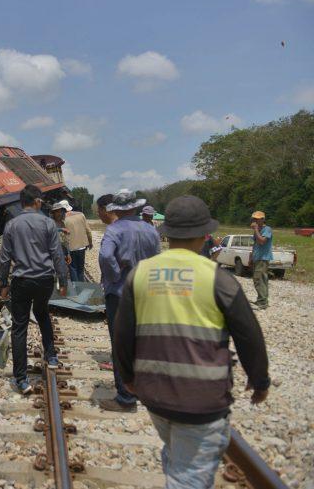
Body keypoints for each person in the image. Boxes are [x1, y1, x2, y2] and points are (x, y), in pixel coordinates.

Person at [114, 195, 269, 488]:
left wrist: (128, 378)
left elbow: (122, 334)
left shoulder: (141, 274)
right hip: (202, 402)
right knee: (189, 476)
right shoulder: (218, 278)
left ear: (167, 234)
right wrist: (259, 381)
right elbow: (249, 335)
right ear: (204, 235)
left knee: (176, 454)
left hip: (155, 397)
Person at [0, 185, 69, 395]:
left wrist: (3, 283)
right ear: (37, 201)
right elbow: (57, 254)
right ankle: (52, 356)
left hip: (22, 280)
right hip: (45, 280)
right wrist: (63, 279)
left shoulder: (11, 225)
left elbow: (4, 258)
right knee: (42, 313)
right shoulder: (48, 223)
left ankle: (21, 380)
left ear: (22, 203)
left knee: (19, 326)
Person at [98, 189, 161, 412]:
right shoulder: (150, 230)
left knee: (120, 344)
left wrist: (114, 276)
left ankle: (125, 396)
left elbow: (106, 256)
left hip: (119, 294)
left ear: (117, 209)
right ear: (135, 207)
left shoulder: (114, 230)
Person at [65, 202, 94, 282]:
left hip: (70, 248)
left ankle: (76, 289)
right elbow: (88, 231)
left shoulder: (63, 219)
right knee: (80, 269)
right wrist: (90, 243)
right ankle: (82, 288)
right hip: (82, 247)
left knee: (73, 269)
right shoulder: (81, 215)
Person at [250, 211, 273, 310]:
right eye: (254, 219)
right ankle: (261, 299)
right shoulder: (258, 230)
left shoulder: (267, 229)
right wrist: (251, 258)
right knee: (261, 279)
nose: (255, 220)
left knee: (259, 279)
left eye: (257, 219)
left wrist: (255, 229)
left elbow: (262, 241)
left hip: (263, 258)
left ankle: (263, 302)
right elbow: (255, 244)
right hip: (257, 258)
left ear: (263, 219)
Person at [51, 200, 72, 265]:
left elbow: (66, 240)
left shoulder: (62, 223)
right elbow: (50, 231)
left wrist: (68, 253)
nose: (59, 213)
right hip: (54, 254)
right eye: (57, 211)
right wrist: (61, 229)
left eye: (60, 211)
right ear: (53, 213)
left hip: (63, 253)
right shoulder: (50, 222)